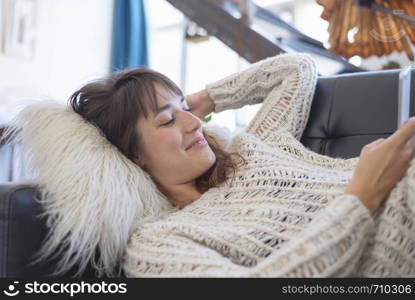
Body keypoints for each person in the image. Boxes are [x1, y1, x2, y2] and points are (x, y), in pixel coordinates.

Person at [10, 53, 415, 277]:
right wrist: (362, 196)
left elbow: (296, 69)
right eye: (167, 120)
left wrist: (208, 98)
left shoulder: (252, 145)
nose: (193, 122)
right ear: (132, 154)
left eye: (186, 108)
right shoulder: (159, 242)